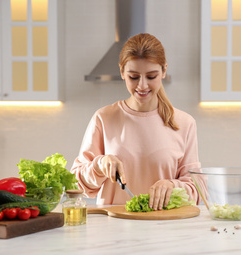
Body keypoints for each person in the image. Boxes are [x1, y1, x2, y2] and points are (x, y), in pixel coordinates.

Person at [71, 33, 201, 210]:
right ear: (122, 72)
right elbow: (76, 185)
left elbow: (197, 191)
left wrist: (173, 185)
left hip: (166, 229)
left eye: (151, 76)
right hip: (112, 230)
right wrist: (99, 165)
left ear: (164, 71)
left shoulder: (184, 123)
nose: (142, 86)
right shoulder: (103, 118)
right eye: (134, 77)